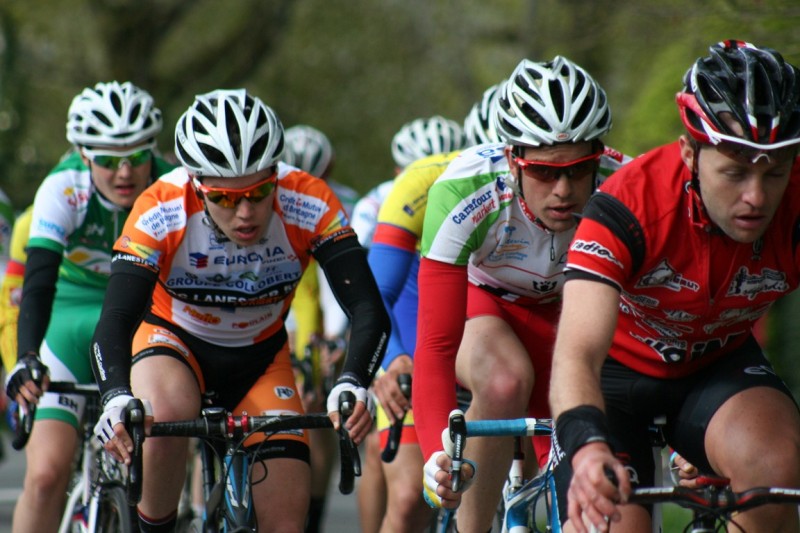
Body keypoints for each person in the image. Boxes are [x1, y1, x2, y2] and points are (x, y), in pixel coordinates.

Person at [88, 88, 391, 533]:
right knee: (166, 412)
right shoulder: (160, 208)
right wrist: (116, 396)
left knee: (287, 520)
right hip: (174, 343)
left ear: (276, 176)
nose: (246, 212)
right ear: (196, 185)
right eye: (226, 199)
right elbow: (114, 320)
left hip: (262, 358)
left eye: (259, 191)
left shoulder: (309, 200)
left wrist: (353, 381)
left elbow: (368, 307)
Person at [548, 40, 800, 533]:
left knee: (776, 471)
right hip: (613, 377)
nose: (756, 197)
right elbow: (575, 353)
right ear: (690, 151)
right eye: (733, 172)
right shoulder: (628, 206)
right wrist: (586, 447)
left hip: (715, 368)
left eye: (775, 173)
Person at [412, 56, 628, 533]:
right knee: (505, 381)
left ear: (602, 155)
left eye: (580, 168)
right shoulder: (464, 190)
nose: (565, 190)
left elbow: (661, 323)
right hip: (489, 307)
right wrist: (434, 456)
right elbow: (436, 346)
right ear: (513, 159)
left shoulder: (626, 186)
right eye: (546, 172)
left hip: (575, 312)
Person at [3, 81, 173, 532]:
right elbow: (37, 284)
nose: (123, 172)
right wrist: (26, 357)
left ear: (152, 153)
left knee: (162, 458)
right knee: (44, 476)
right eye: (106, 159)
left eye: (137, 157)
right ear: (82, 155)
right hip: (70, 320)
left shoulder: (172, 187)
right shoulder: (62, 188)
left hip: (143, 318)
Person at [356, 114, 468, 533]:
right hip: (403, 348)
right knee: (407, 501)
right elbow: (366, 295)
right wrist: (390, 360)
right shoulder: (379, 207)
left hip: (462, 358)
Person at [280, 123, 359, 533]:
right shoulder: (265, 201)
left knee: (317, 406)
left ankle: (313, 514)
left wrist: (337, 336)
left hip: (321, 298)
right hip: (290, 297)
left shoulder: (342, 203)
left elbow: (340, 280)